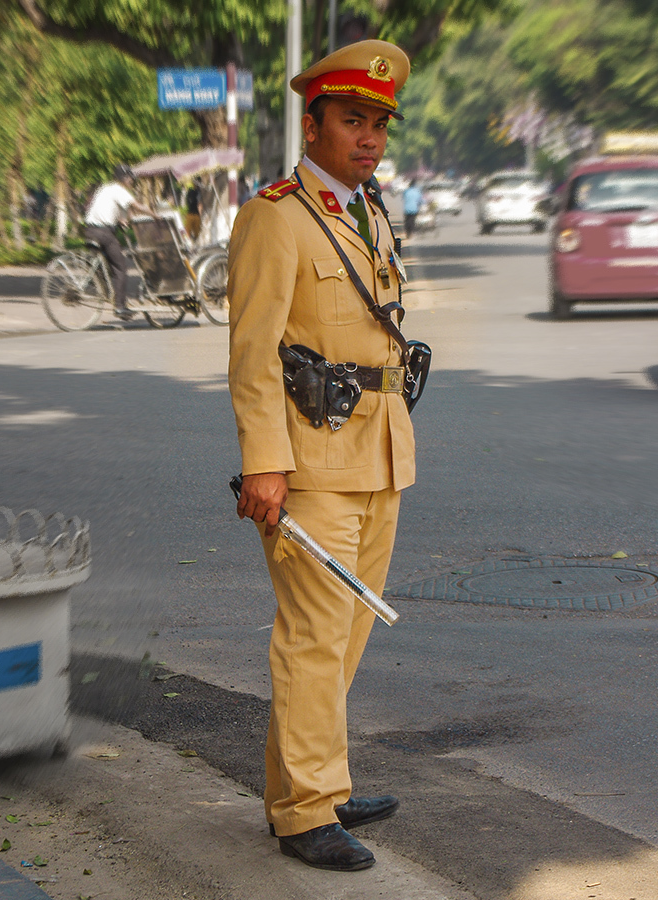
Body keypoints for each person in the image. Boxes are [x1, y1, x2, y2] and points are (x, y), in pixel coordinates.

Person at [226, 39, 415, 873]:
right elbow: (254, 351)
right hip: (306, 462)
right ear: (312, 124)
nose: (367, 136)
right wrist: (265, 463)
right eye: (350, 119)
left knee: (342, 641)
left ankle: (315, 786)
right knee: (312, 636)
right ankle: (305, 812)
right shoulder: (275, 214)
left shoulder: (368, 209)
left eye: (377, 122)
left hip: (377, 453)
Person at [83, 163, 155, 320]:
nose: (132, 182)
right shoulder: (120, 190)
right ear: (125, 178)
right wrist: (154, 215)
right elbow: (136, 207)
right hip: (104, 233)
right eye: (131, 179)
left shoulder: (105, 188)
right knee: (121, 267)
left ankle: (102, 287)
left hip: (89, 230)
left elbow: (110, 209)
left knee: (108, 264)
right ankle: (120, 307)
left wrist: (121, 220)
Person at [184, 177, 202, 242]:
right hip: (193, 214)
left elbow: (199, 205)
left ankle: (192, 242)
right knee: (191, 232)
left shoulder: (195, 192)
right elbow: (199, 205)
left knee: (194, 232)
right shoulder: (195, 192)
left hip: (193, 214)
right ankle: (190, 242)